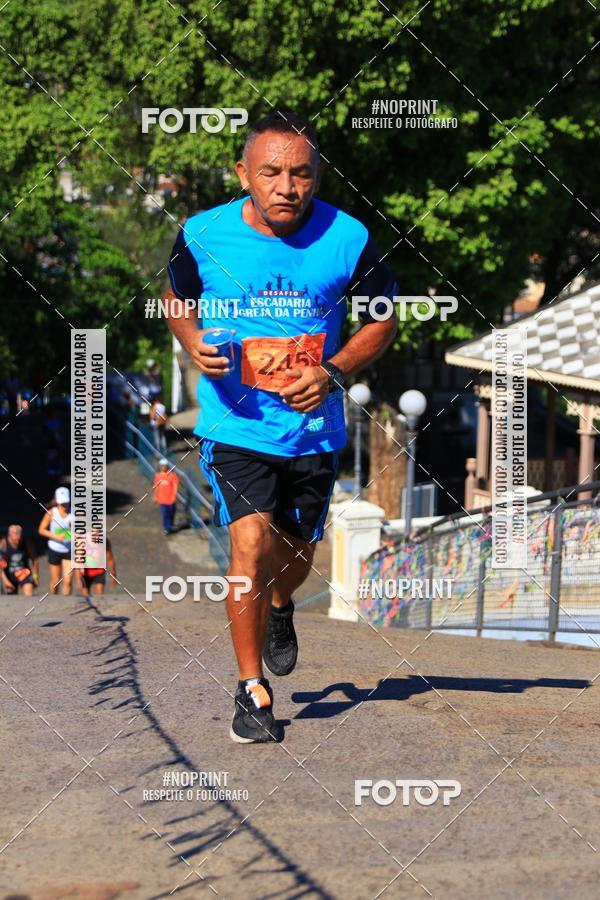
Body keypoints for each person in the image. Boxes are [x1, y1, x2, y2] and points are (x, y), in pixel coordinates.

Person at [164, 110, 397, 743]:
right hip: (234, 424)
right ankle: (251, 690)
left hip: (311, 429)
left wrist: (333, 371)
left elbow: (382, 319)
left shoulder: (348, 237)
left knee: (294, 558)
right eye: (271, 173)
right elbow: (176, 297)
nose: (286, 187)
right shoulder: (202, 232)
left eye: (300, 174)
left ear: (317, 176)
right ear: (244, 174)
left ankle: (280, 603)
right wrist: (190, 340)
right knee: (249, 543)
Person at [38, 486, 74, 595]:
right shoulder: (51, 513)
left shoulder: (75, 513)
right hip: (55, 549)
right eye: (62, 503)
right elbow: (41, 530)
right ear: (57, 501)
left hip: (69, 549)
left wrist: (74, 535)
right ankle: (54, 599)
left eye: (66, 502)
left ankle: (66, 603)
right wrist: (55, 536)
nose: (64, 505)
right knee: (56, 581)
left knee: (68, 581)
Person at [0, 525, 38, 596]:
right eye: (15, 539)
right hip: (9, 574)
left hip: (23, 572)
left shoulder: (27, 543)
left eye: (19, 539)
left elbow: (34, 559)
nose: (18, 541)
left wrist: (35, 576)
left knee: (29, 592)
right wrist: (5, 581)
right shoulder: (3, 544)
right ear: (10, 536)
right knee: (11, 595)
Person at [153, 458, 179, 534]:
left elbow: (175, 486)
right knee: (165, 514)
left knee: (171, 513)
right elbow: (156, 487)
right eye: (161, 466)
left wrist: (174, 496)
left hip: (170, 499)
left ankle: (170, 524)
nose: (163, 467)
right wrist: (155, 496)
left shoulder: (172, 475)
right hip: (162, 499)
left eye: (164, 466)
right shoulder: (158, 476)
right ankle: (167, 528)